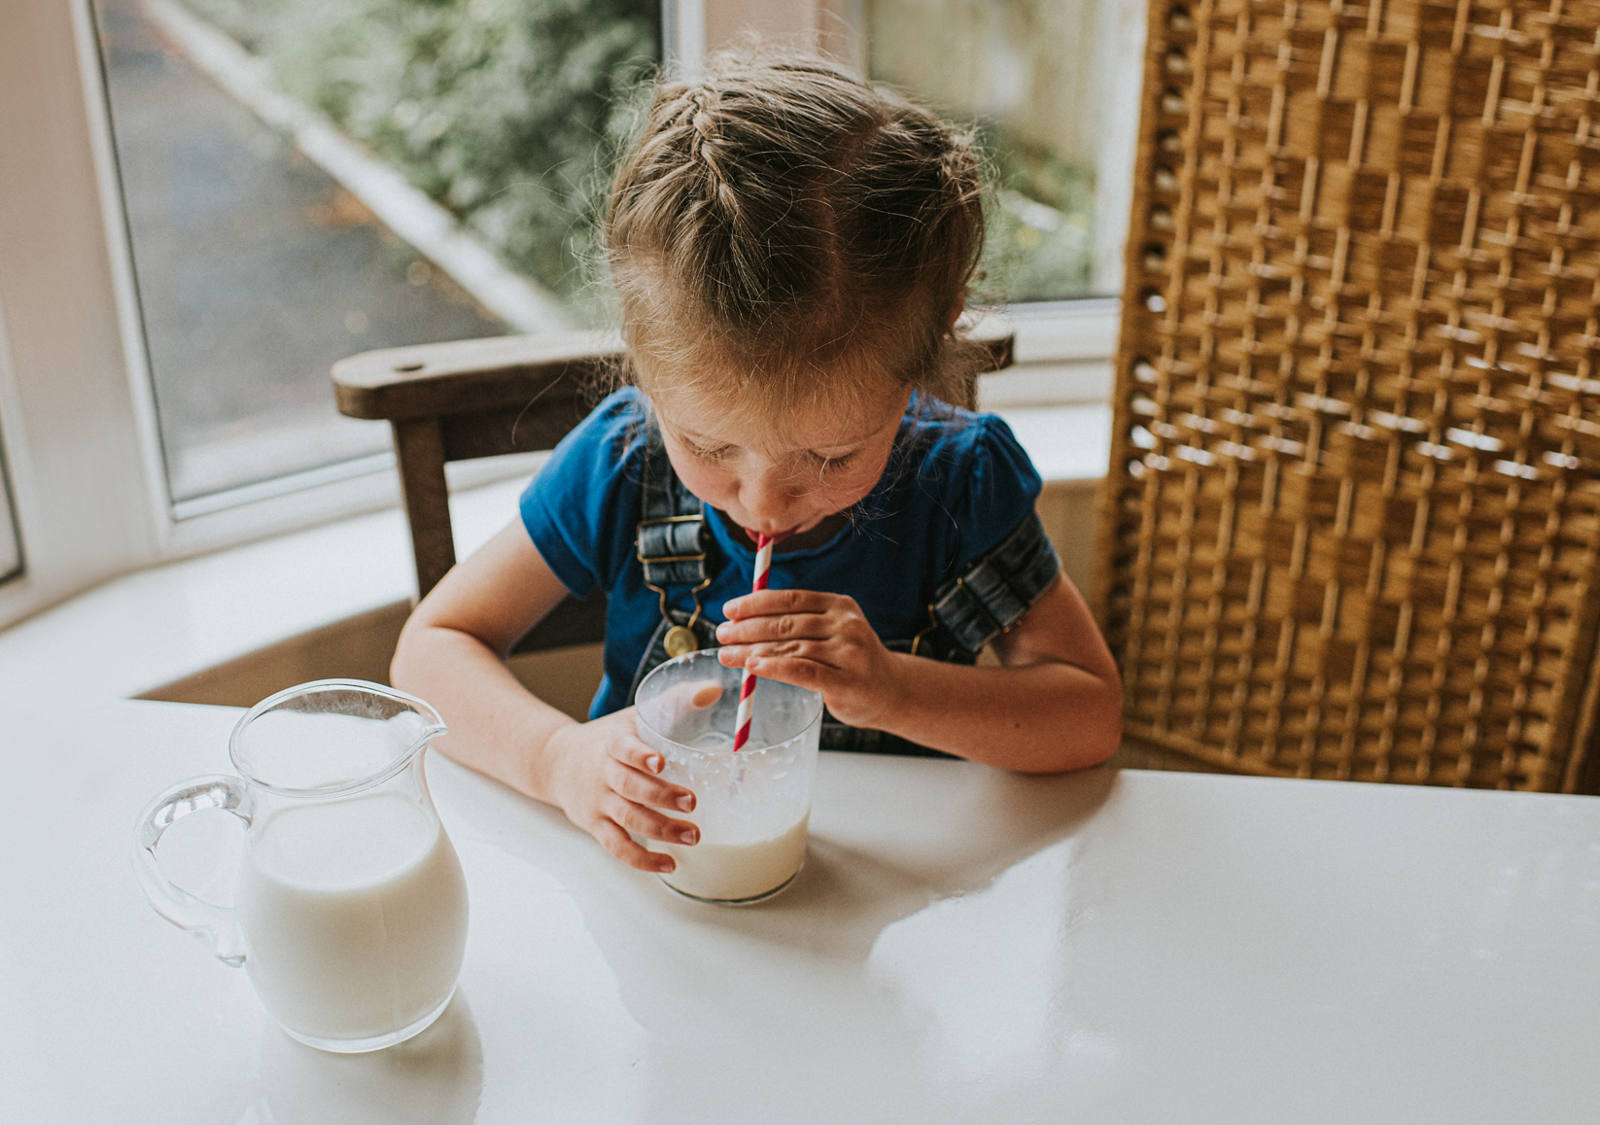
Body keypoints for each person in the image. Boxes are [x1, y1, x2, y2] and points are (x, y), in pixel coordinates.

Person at [390, 48, 1122, 877]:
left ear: (931, 343)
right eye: (707, 447)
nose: (766, 503)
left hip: (896, 909)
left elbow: (1088, 715)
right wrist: (559, 758)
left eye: (831, 454)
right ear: (644, 362)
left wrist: (894, 689)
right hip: (655, 892)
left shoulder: (960, 483)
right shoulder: (624, 459)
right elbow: (431, 649)